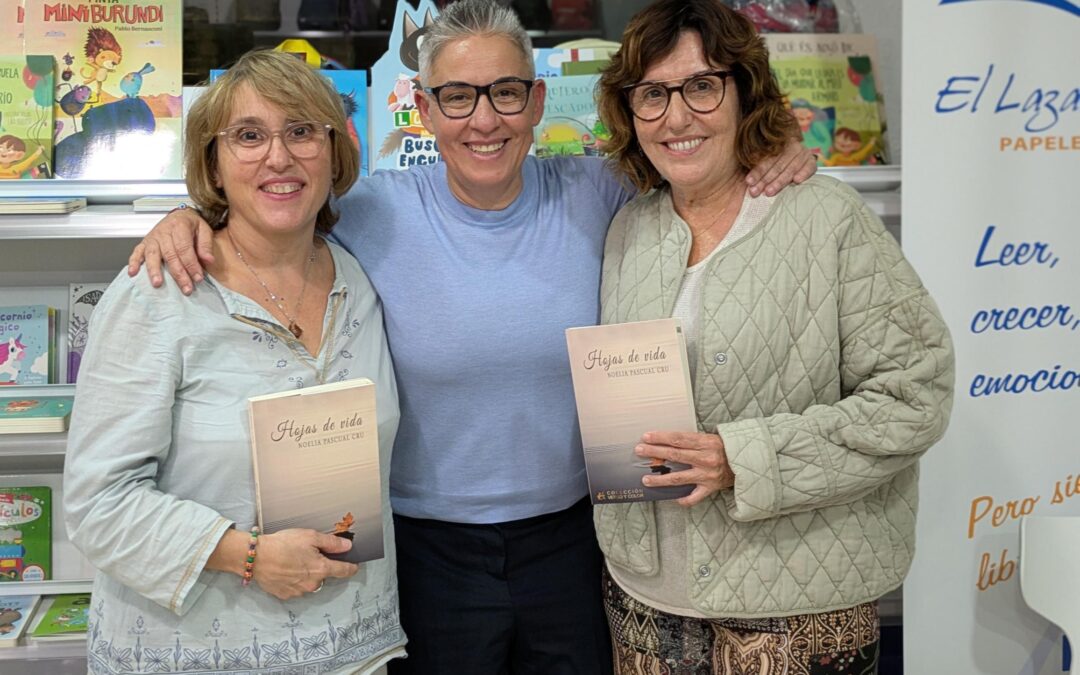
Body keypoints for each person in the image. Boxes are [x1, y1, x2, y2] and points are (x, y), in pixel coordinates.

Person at [126, 1, 817, 671]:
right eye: (457, 96)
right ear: (424, 110)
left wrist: (773, 145)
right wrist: (189, 218)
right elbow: (272, 196)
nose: (484, 119)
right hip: (427, 552)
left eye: (506, 92)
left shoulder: (598, 191)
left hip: (575, 539)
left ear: (537, 102)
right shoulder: (372, 211)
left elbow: (695, 158)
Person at [592, 1, 955, 672]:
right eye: (652, 94)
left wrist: (746, 459)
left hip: (799, 603)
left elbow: (916, 396)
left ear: (745, 91)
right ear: (629, 110)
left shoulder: (827, 218)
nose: (676, 116)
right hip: (646, 601)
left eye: (702, 86)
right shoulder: (627, 230)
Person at [63, 50, 404, 675]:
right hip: (199, 654)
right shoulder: (158, 294)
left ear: (334, 152)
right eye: (248, 136)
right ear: (213, 165)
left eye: (302, 131)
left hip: (350, 646)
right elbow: (97, 504)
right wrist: (244, 554)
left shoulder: (357, 278)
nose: (279, 157)